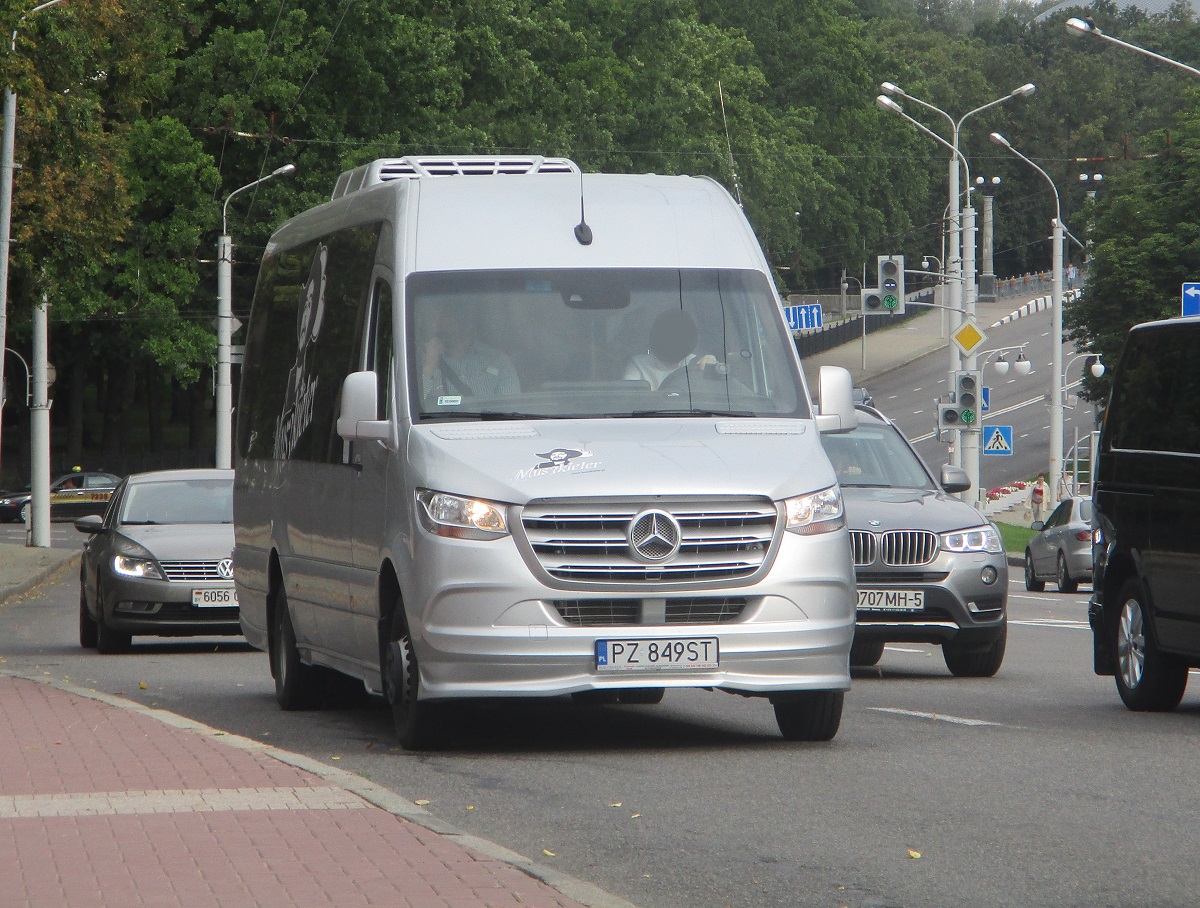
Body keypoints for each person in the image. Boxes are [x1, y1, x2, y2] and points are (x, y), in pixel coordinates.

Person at [420, 308, 520, 404]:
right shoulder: (421, 362)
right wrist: (429, 366)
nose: (435, 326)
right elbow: (413, 408)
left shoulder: (498, 360)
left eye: (442, 318)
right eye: (434, 320)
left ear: (466, 324)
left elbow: (511, 409)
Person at [623, 309, 718, 390]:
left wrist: (713, 368)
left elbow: (716, 392)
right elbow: (628, 398)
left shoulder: (699, 362)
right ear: (655, 337)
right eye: (668, 336)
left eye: (679, 336)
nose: (673, 340)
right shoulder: (639, 364)